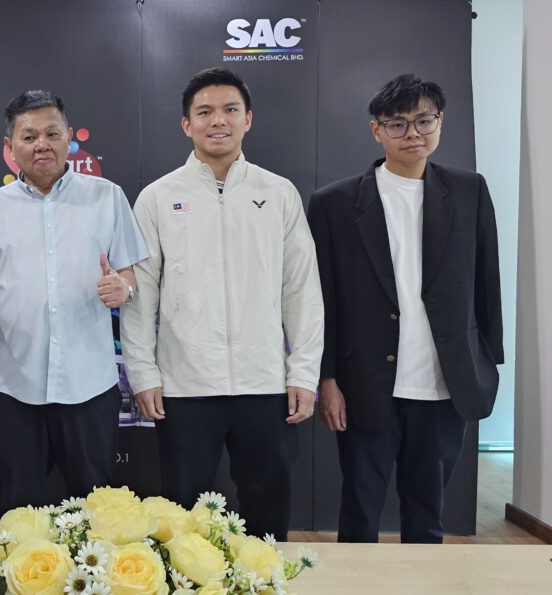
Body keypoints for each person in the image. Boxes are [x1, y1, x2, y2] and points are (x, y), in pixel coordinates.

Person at [120, 68, 323, 540]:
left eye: (230, 110)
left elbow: (301, 290)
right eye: (205, 112)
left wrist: (303, 373)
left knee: (267, 512)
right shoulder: (157, 198)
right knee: (181, 517)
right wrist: (144, 375)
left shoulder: (278, 193)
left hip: (265, 384)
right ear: (186, 124)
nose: (218, 121)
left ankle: (267, 577)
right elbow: (140, 295)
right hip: (185, 387)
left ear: (248, 119)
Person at [307, 74, 503, 543]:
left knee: (427, 515)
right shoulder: (334, 203)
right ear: (376, 130)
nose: (412, 133)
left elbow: (487, 280)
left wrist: (487, 360)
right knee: (360, 511)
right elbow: (321, 299)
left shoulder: (469, 191)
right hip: (364, 383)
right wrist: (326, 377)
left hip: (444, 382)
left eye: (423, 121)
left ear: (441, 122)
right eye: (397, 124)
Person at [0, 90, 149, 511]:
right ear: (10, 147)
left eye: (52, 133)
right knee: (18, 513)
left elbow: (129, 274)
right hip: (16, 388)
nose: (42, 144)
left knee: (96, 513)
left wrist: (123, 289)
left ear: (69, 137)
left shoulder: (107, 197)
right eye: (29, 136)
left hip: (89, 385)